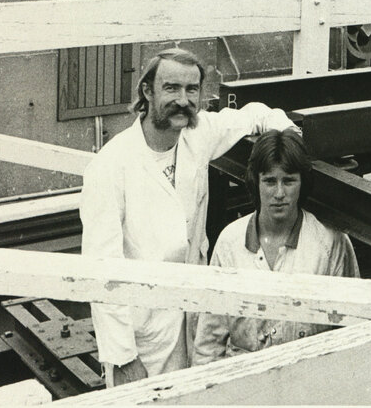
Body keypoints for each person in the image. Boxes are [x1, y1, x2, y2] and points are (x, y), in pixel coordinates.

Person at [79, 46, 298, 386]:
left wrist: (287, 131)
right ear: (147, 91)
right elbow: (100, 271)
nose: (183, 100)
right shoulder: (109, 168)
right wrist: (123, 358)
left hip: (194, 317)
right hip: (144, 336)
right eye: (171, 88)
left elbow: (253, 113)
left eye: (191, 89)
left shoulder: (197, 135)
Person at [193, 128, 359, 364]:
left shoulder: (330, 243)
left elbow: (350, 335)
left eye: (289, 181)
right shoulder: (230, 242)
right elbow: (209, 342)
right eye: (270, 181)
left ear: (302, 183)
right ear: (255, 182)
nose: (279, 193)